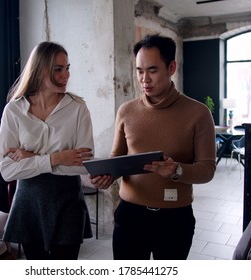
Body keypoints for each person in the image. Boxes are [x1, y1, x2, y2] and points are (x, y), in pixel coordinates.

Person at [90, 34, 216, 260]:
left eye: (152, 70)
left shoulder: (198, 113)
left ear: (171, 68)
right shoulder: (126, 111)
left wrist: (177, 170)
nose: (144, 79)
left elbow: (207, 170)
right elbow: (116, 157)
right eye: (139, 70)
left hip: (175, 219)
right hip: (129, 216)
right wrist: (107, 175)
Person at [0, 41, 94, 260]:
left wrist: (31, 158)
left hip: (68, 200)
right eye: (58, 69)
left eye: (67, 68)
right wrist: (57, 158)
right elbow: (8, 171)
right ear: (40, 71)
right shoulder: (14, 110)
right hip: (29, 201)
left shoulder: (78, 108)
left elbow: (83, 164)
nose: (65, 75)